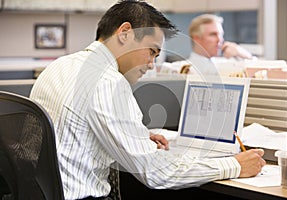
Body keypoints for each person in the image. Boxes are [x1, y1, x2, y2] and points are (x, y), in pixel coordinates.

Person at [30, 1, 266, 199]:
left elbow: (76, 132)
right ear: (124, 33)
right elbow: (156, 172)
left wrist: (138, 137)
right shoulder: (108, 81)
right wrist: (234, 165)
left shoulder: (61, 65)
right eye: (152, 51)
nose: (152, 63)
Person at [161, 14, 253, 76]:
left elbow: (260, 73)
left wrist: (243, 54)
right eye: (213, 34)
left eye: (221, 35)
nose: (220, 40)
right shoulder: (181, 69)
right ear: (196, 38)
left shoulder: (228, 64)